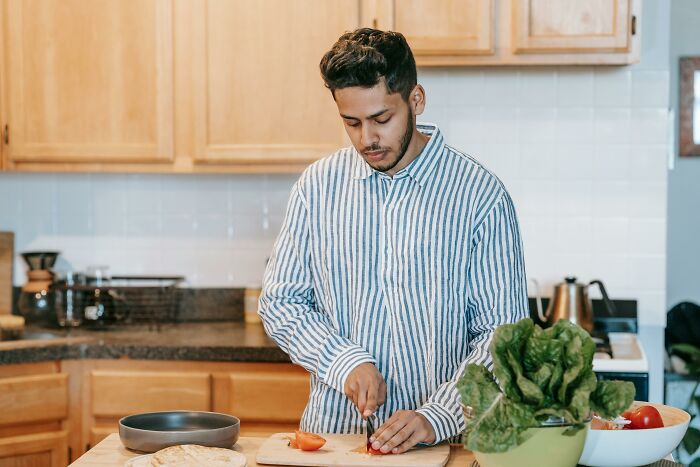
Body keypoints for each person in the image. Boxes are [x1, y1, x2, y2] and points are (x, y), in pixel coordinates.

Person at [258, 28, 528, 454]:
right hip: (335, 443)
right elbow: (280, 303)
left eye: (382, 119)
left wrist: (434, 416)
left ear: (415, 100)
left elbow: (503, 337)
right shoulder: (317, 187)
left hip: (445, 448)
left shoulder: (480, 197)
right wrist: (345, 362)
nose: (367, 139)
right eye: (352, 122)